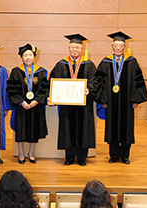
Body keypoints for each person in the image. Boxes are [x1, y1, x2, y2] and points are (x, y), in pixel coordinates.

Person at [93, 31, 147, 164]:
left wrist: (136, 100)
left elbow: (138, 82)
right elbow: (98, 82)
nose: (118, 48)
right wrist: (102, 101)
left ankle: (124, 156)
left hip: (127, 103)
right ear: (112, 47)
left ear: (125, 47)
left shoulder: (132, 62)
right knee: (112, 128)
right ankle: (113, 155)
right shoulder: (105, 62)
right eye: (116, 45)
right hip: (111, 103)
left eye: (121, 45)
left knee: (126, 128)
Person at [48, 34, 97, 166]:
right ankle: (69, 157)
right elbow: (52, 81)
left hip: (83, 105)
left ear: (82, 49)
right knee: (68, 129)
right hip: (67, 106)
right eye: (72, 47)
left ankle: (82, 158)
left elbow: (96, 81)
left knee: (83, 129)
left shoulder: (89, 65)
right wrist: (52, 96)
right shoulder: (61, 64)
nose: (75, 50)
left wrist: (89, 89)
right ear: (68, 48)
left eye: (78, 47)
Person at [7, 43, 48, 164]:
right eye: (25, 55)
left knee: (33, 130)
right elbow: (12, 89)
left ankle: (31, 153)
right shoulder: (16, 71)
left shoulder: (41, 72)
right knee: (21, 130)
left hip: (36, 106)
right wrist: (21, 102)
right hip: (21, 107)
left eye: (30, 55)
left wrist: (36, 101)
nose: (28, 57)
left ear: (34, 56)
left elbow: (44, 89)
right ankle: (20, 153)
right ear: (21, 57)